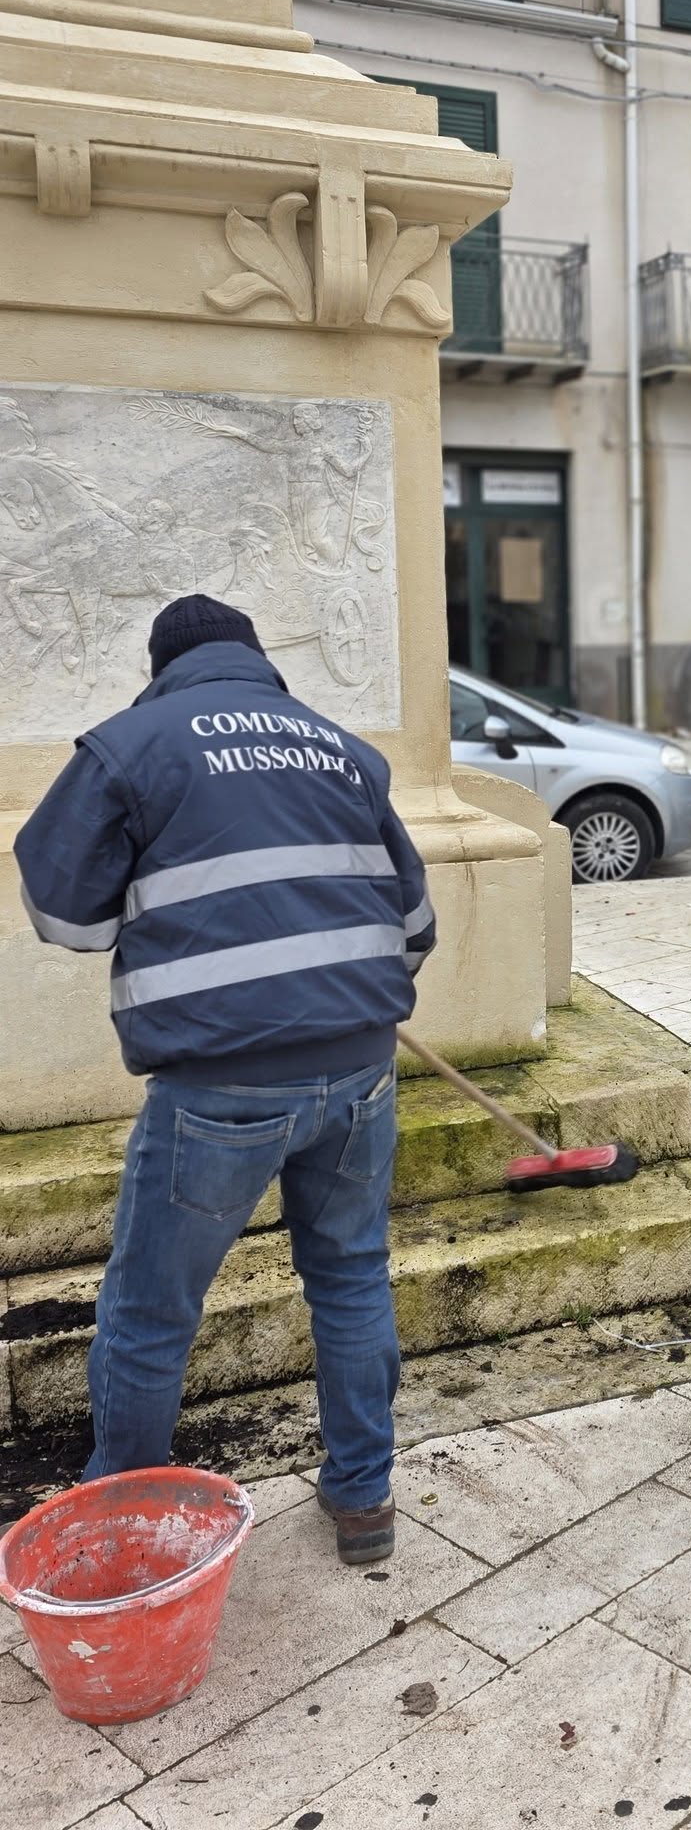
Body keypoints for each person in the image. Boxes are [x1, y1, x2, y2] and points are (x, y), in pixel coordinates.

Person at [14, 594, 436, 1565]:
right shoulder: (341, 748)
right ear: (257, 660)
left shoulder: (133, 745)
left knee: (152, 1307)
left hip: (220, 1082)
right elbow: (413, 927)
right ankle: (364, 1498)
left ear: (163, 668)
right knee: (350, 1275)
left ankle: (120, 1519)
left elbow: (64, 914)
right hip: (359, 1065)